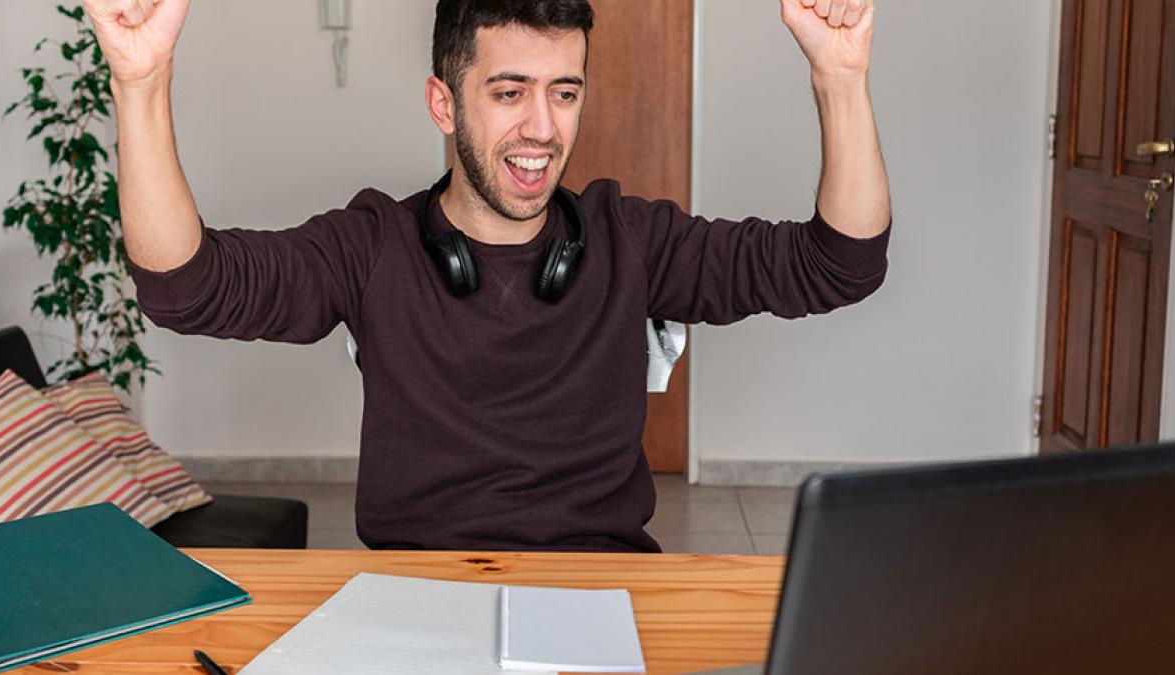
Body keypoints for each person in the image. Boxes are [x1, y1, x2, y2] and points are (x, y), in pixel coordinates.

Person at [81, 0, 891, 552]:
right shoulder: (373, 246)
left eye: (563, 92)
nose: (542, 127)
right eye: (509, 92)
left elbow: (840, 263)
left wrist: (840, 77)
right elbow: (184, 288)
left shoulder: (632, 238)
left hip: (605, 592)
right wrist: (141, 85)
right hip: (416, 600)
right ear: (444, 102)